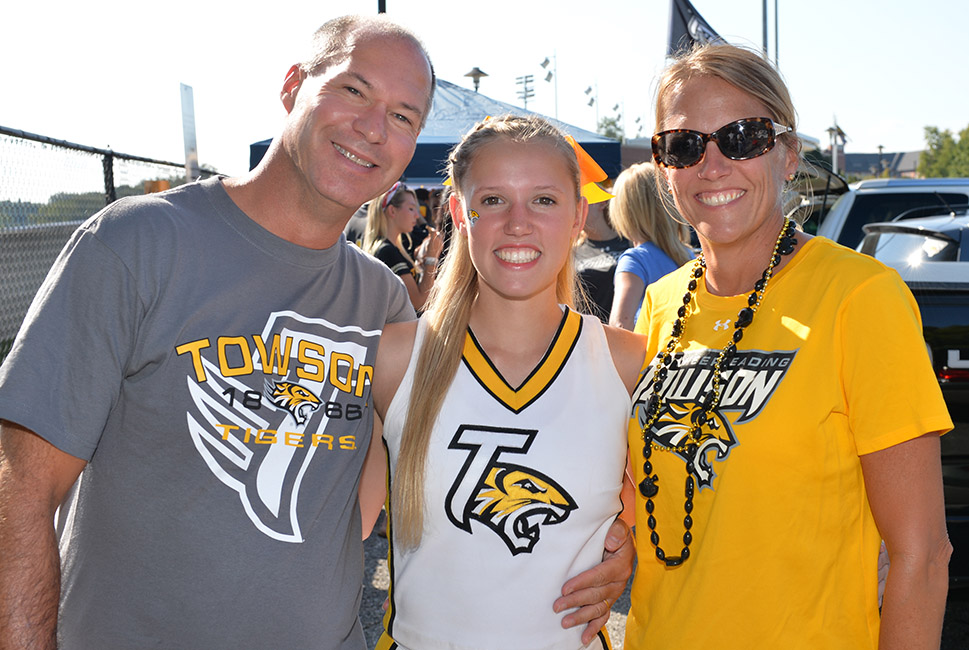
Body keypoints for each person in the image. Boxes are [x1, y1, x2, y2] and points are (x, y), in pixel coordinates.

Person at [0, 16, 627, 649]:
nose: (374, 127)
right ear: (293, 85)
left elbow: (434, 469)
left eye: (405, 116)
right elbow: (20, 485)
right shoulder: (139, 243)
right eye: (354, 91)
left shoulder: (381, 303)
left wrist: (614, 535)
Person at [623, 44, 953, 649]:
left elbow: (922, 555)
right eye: (685, 145)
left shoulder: (861, 297)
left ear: (789, 153)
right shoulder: (659, 304)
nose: (713, 165)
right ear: (663, 168)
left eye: (743, 137)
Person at [358, 115, 645, 650]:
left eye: (544, 200)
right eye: (492, 200)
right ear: (458, 214)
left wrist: (627, 542)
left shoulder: (626, 362)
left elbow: (665, 514)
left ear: (579, 215)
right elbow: (332, 536)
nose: (518, 223)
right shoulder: (395, 357)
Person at [607, 161, 694, 330]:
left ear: (624, 212)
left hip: (651, 354)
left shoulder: (634, 261)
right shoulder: (688, 256)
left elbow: (619, 325)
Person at [363, 182, 443, 312]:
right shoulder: (387, 251)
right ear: (392, 211)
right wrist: (431, 258)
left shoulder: (392, 248)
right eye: (411, 209)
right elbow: (420, 302)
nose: (417, 216)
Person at [573, 199, 630, 323]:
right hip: (588, 335)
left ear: (601, 203)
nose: (576, 208)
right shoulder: (573, 252)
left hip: (625, 332)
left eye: (582, 201)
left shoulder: (631, 243)